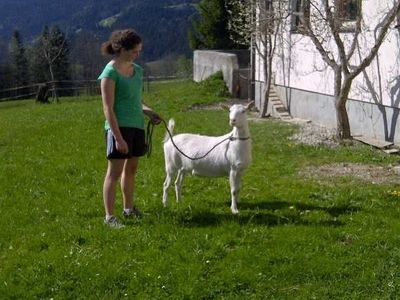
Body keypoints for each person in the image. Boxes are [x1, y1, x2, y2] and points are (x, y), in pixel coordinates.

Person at [98, 28, 161, 228]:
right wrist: (118, 137)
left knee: (131, 169)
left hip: (137, 126)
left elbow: (134, 101)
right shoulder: (109, 73)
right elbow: (108, 108)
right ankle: (109, 217)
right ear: (121, 49)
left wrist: (149, 111)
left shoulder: (137, 71)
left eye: (139, 51)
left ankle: (129, 209)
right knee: (114, 172)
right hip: (119, 127)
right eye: (134, 51)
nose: (137, 55)